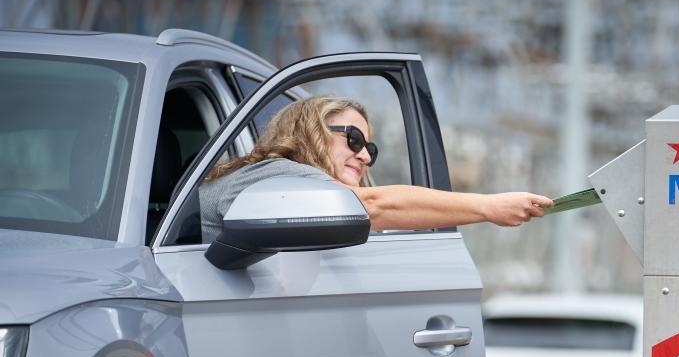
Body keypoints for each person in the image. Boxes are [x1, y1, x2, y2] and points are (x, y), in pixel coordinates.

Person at [200, 96, 553, 240]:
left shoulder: (301, 193)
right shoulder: (275, 174)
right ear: (307, 132)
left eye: (369, 147)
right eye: (353, 139)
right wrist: (488, 207)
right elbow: (374, 205)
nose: (365, 156)